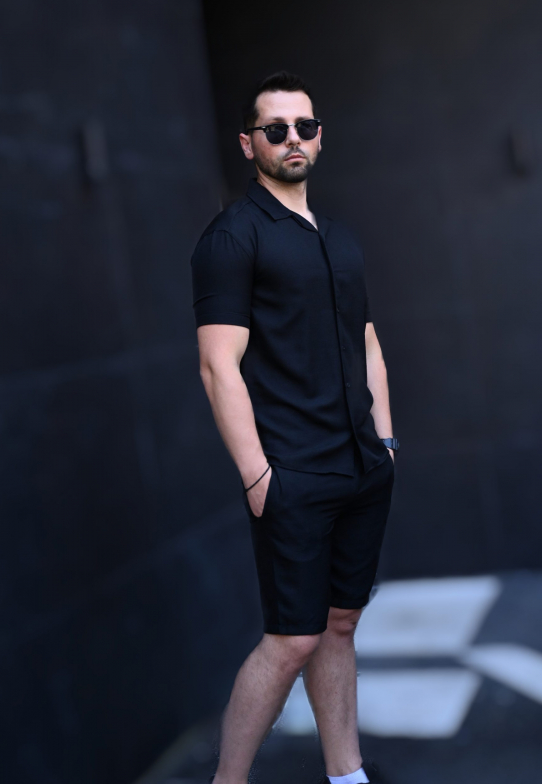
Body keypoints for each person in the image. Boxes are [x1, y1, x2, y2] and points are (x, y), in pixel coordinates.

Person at [190, 71, 398, 784]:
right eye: (275, 130)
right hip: (293, 474)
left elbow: (366, 341)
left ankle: (347, 775)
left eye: (304, 126)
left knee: (340, 625)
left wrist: (386, 441)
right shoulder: (232, 238)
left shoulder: (339, 239)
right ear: (249, 144)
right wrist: (258, 478)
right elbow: (218, 366)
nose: (292, 139)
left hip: (361, 464)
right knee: (292, 639)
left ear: (319, 136)